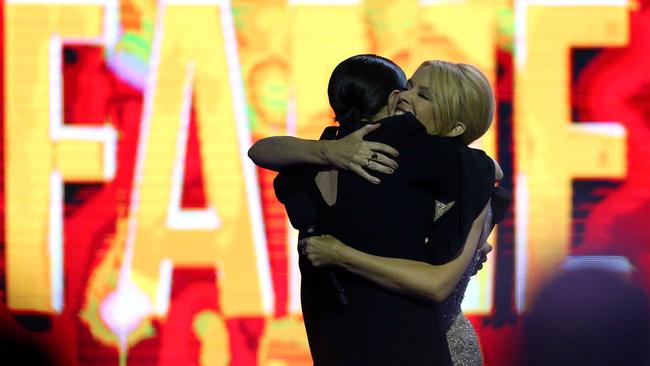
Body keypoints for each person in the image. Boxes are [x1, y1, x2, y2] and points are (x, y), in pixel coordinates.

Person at [249, 55, 503, 365]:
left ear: (455, 126)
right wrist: (331, 151)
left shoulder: (461, 183)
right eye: (407, 87)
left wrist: (341, 254)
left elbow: (438, 284)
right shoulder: (359, 151)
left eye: (422, 95)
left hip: (433, 342)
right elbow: (260, 150)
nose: (405, 98)